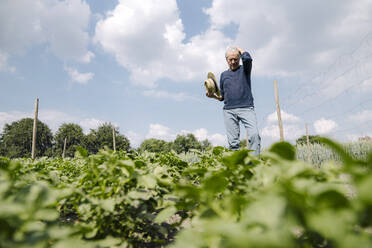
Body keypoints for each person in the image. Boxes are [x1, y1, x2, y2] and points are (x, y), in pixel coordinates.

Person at [206, 46, 261, 155]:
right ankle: (236, 168)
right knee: (233, 143)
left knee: (254, 135)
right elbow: (222, 96)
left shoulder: (245, 70)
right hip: (229, 110)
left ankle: (254, 164)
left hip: (246, 108)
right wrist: (213, 96)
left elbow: (248, 59)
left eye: (236, 59)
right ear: (226, 60)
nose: (233, 62)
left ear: (239, 59)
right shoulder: (223, 75)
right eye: (230, 59)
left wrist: (239, 49)